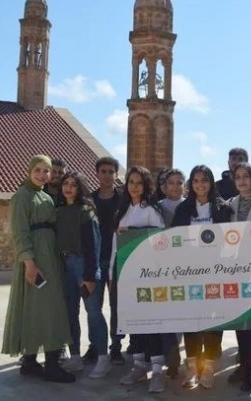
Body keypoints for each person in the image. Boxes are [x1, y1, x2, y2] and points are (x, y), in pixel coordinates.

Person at [1, 155, 75, 383]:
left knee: (41, 309)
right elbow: (19, 233)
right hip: (35, 260)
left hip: (49, 258)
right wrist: (29, 263)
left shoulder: (45, 196)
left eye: (46, 171)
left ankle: (31, 362)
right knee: (47, 309)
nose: (42, 175)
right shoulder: (21, 197)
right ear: (29, 170)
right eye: (38, 170)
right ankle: (51, 365)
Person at [112, 166, 176, 394]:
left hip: (148, 275)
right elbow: (115, 245)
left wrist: (135, 232)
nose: (134, 186)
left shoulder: (151, 209)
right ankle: (139, 366)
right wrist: (113, 272)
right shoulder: (123, 210)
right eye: (131, 182)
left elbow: (160, 238)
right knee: (134, 322)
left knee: (151, 323)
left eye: (139, 183)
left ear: (146, 185)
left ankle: (157, 370)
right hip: (126, 274)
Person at [172, 165, 233, 389]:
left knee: (214, 321)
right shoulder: (183, 209)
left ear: (211, 182)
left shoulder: (223, 208)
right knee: (192, 321)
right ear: (191, 183)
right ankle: (191, 366)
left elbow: (230, 242)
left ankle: (208, 367)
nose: (200, 184)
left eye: (204, 180)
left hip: (216, 273)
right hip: (189, 274)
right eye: (196, 180)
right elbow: (174, 241)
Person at [55, 171, 110, 379]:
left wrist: (90, 275)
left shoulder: (86, 211)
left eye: (73, 184)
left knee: (93, 312)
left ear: (80, 188)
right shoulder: (59, 211)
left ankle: (103, 358)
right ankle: (75, 356)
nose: (68, 187)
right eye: (65, 183)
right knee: (70, 313)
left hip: (83, 266)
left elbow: (94, 245)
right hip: (65, 266)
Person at [225, 162, 251, 392]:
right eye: (237, 177)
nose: (241, 181)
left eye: (245, 176)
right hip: (235, 269)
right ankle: (245, 367)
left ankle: (250, 370)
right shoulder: (229, 205)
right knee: (241, 323)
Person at [91, 157, 124, 365]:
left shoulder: (123, 200)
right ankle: (95, 346)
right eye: (103, 171)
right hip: (94, 260)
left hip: (116, 260)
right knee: (94, 307)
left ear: (116, 174)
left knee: (116, 307)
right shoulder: (88, 199)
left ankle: (116, 347)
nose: (107, 175)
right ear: (97, 174)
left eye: (111, 171)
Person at [158, 168, 186, 377]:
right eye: (171, 182)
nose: (175, 186)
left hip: (187, 267)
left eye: (179, 182)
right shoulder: (157, 208)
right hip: (163, 267)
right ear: (163, 187)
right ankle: (170, 356)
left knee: (181, 313)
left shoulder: (190, 207)